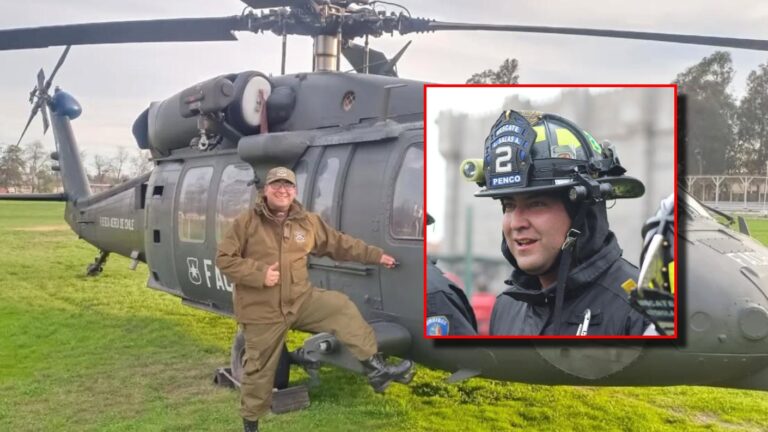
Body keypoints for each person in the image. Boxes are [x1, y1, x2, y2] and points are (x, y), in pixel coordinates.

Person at [216, 166, 414, 432]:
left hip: (300, 300)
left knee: (340, 307)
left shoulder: (307, 222)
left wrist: (375, 255)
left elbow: (338, 244)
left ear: (294, 191)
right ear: (266, 191)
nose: (282, 190)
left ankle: (376, 369)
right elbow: (224, 260)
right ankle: (250, 423)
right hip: (262, 309)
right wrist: (260, 274)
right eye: (276, 185)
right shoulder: (246, 222)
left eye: (288, 186)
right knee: (258, 371)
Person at [463, 109, 651, 336]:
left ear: (583, 212)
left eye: (537, 204)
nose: (516, 223)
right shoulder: (506, 308)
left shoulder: (643, 310)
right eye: (509, 205)